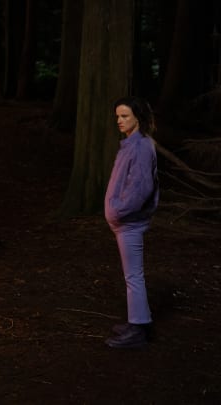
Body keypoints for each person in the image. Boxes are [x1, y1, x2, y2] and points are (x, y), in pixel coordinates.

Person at [104, 96, 159, 349]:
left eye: (125, 116)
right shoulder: (131, 144)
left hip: (130, 222)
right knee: (133, 275)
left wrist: (117, 211)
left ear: (138, 117)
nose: (119, 120)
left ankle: (137, 330)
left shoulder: (140, 147)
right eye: (118, 116)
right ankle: (139, 321)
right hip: (125, 221)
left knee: (133, 276)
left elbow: (140, 189)